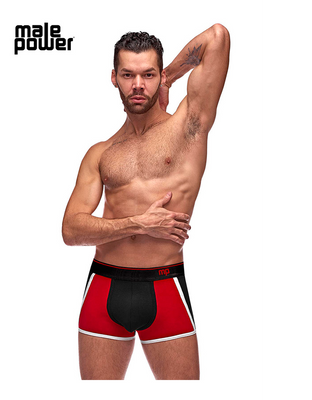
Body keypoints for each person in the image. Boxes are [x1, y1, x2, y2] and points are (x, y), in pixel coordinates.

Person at [62, 24, 230, 380]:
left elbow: (216, 37)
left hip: (165, 286)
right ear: (114, 78)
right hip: (103, 287)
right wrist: (138, 223)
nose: (138, 85)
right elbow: (71, 230)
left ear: (159, 76)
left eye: (148, 75)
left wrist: (170, 78)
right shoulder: (100, 153)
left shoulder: (188, 127)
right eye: (128, 75)